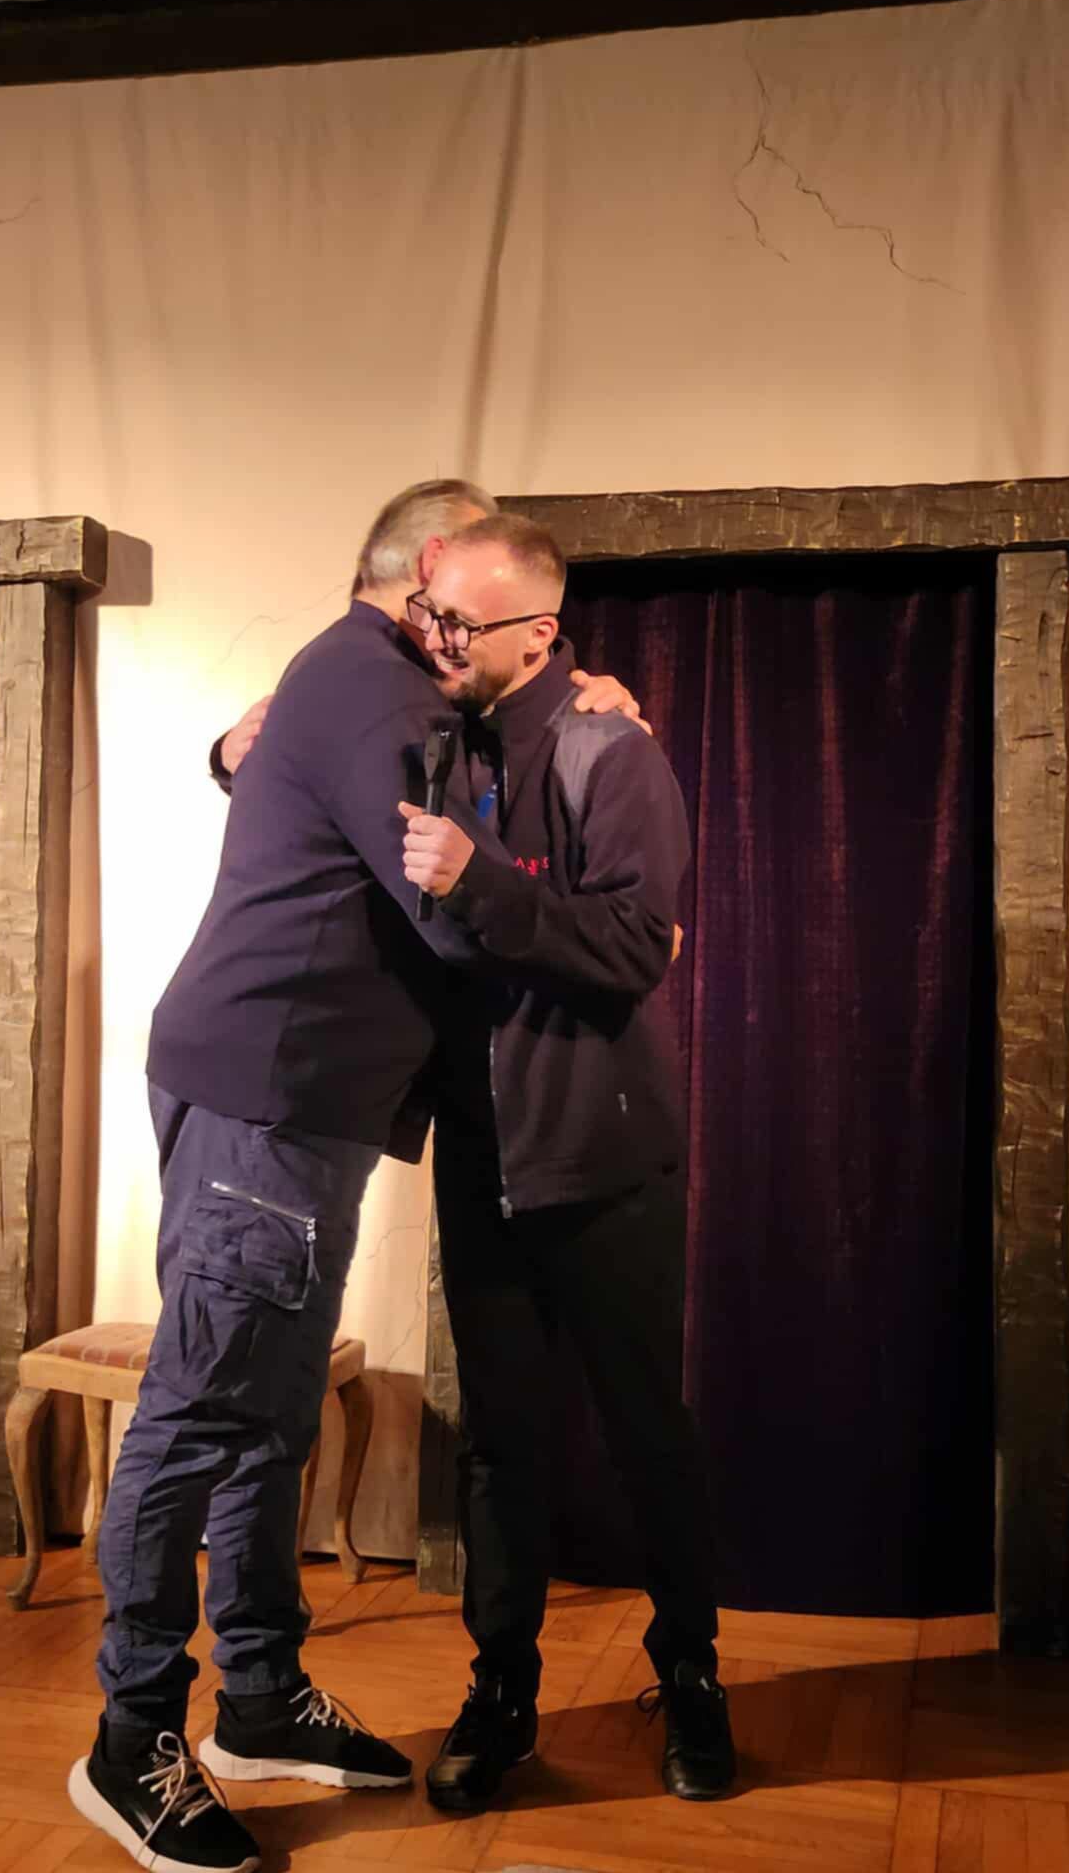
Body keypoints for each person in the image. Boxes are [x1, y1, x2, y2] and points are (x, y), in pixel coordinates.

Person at [69, 480, 644, 1873]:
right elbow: (449, 918)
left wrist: (571, 700)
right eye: (477, 596)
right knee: (201, 1410)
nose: (486, 635)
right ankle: (129, 1740)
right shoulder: (377, 687)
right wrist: (586, 899)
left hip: (295, 1100)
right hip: (268, 1094)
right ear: (434, 567)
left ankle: (259, 1696)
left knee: (268, 1412)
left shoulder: (370, 680)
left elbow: (409, 808)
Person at [397, 514, 737, 1809]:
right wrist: (227, 753)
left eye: (459, 622)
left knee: (649, 1433)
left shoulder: (611, 750)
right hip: (479, 1159)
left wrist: (482, 885)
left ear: (538, 634)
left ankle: (693, 1683)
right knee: (499, 1446)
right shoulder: (433, 743)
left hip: (603, 1159)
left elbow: (640, 946)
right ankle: (502, 1695)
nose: (437, 639)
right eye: (430, 615)